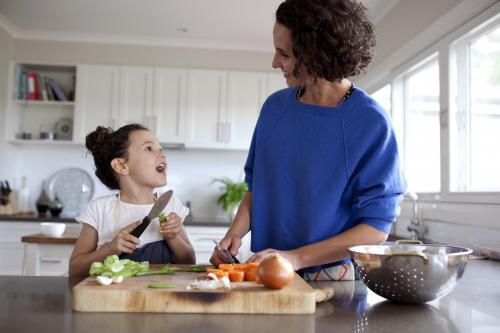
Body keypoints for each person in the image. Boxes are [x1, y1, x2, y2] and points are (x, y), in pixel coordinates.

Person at [210, 0, 406, 281]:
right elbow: (257, 189)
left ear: (316, 55)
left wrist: (295, 258)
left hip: (331, 276)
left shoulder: (370, 122)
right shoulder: (274, 108)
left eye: (284, 54)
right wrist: (235, 234)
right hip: (267, 270)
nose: (275, 62)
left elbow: (375, 229)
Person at [69, 124, 195, 276]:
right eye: (149, 148)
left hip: (162, 296)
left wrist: (173, 237)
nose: (162, 154)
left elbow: (189, 261)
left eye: (160, 148)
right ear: (121, 165)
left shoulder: (170, 205)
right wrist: (109, 249)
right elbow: (75, 269)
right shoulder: (100, 209)